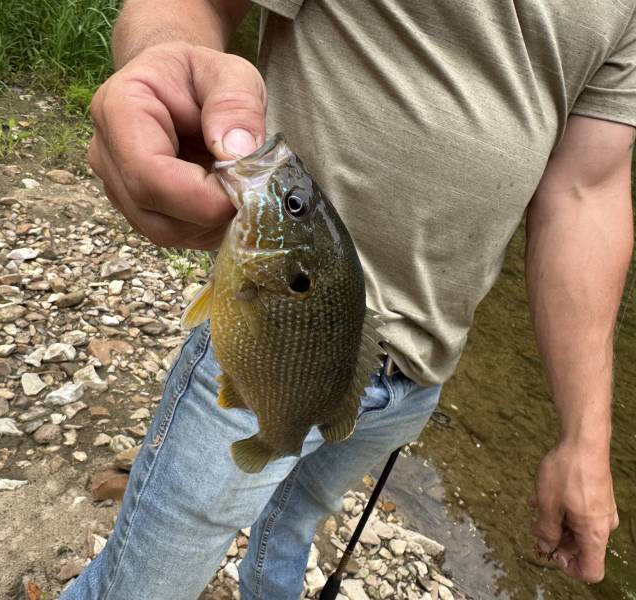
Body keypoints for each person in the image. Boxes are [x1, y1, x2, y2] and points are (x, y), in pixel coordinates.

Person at [63, 1, 634, 598]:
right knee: (141, 585)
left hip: (421, 374)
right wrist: (159, 59)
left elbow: (586, 190)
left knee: (291, 528)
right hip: (271, 354)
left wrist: (586, 439)